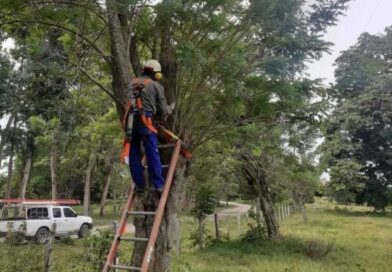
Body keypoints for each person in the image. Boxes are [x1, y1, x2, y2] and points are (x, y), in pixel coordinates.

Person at [127, 59, 169, 194]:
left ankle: (139, 186)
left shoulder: (132, 83)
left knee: (133, 153)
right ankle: (159, 185)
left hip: (130, 122)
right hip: (146, 121)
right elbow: (163, 110)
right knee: (152, 152)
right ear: (156, 74)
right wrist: (168, 109)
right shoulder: (156, 86)